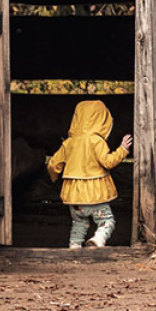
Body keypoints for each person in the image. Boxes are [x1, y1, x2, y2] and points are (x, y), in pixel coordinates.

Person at [46, 100, 133, 249]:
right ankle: (98, 239)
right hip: (95, 194)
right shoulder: (96, 141)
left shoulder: (69, 143)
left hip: (74, 196)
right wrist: (122, 150)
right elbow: (108, 162)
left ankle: (74, 247)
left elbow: (53, 164)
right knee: (107, 220)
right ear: (102, 120)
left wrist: (55, 177)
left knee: (79, 223)